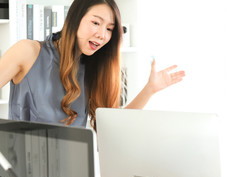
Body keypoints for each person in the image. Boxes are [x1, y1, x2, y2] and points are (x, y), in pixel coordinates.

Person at [0, 0, 185, 130]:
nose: (102, 35)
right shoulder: (28, 52)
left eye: (109, 29)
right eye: (96, 23)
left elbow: (114, 126)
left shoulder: (91, 70)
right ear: (74, 19)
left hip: (72, 176)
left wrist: (150, 89)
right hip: (24, 173)